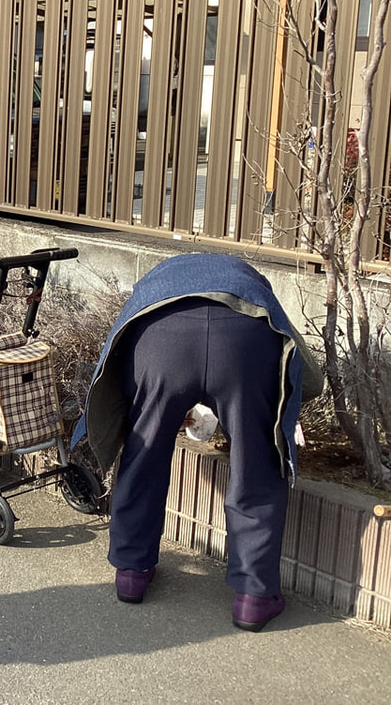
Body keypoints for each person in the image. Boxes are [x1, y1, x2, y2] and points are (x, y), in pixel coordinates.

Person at [72, 253, 324, 632]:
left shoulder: (156, 282)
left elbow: (120, 354)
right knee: (256, 460)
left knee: (144, 452)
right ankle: (254, 597)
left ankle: (131, 571)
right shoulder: (252, 285)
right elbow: (295, 354)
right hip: (246, 337)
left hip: (160, 333)